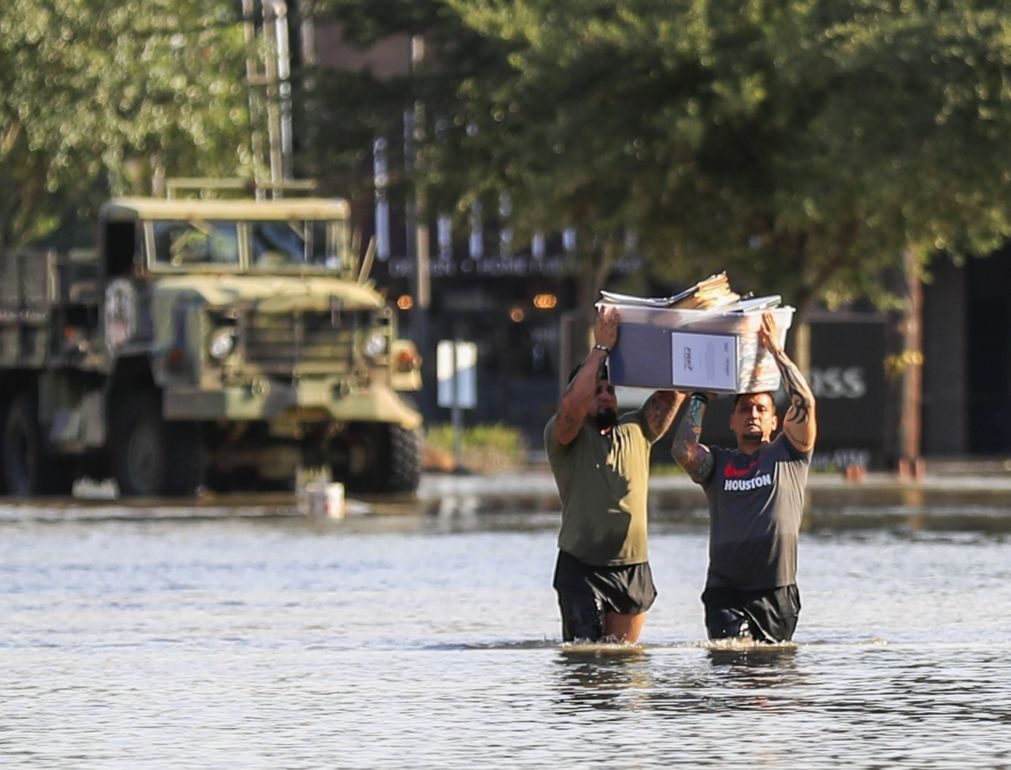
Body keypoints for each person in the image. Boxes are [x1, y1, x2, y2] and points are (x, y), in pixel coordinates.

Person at [670, 311, 817, 643]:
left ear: (774, 422)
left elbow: (805, 402)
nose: (752, 414)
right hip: (725, 592)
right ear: (732, 422)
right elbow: (683, 451)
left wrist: (777, 352)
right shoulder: (718, 463)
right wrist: (700, 396)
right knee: (732, 674)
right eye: (744, 409)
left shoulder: (789, 454)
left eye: (761, 409)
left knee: (771, 683)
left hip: (776, 592)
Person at [544, 305, 686, 643]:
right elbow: (572, 406)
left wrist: (676, 328)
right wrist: (601, 348)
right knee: (587, 663)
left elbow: (674, 388)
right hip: (581, 565)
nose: (606, 395)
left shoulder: (638, 427)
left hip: (632, 565)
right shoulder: (565, 435)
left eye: (610, 390)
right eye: (597, 391)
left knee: (625, 668)